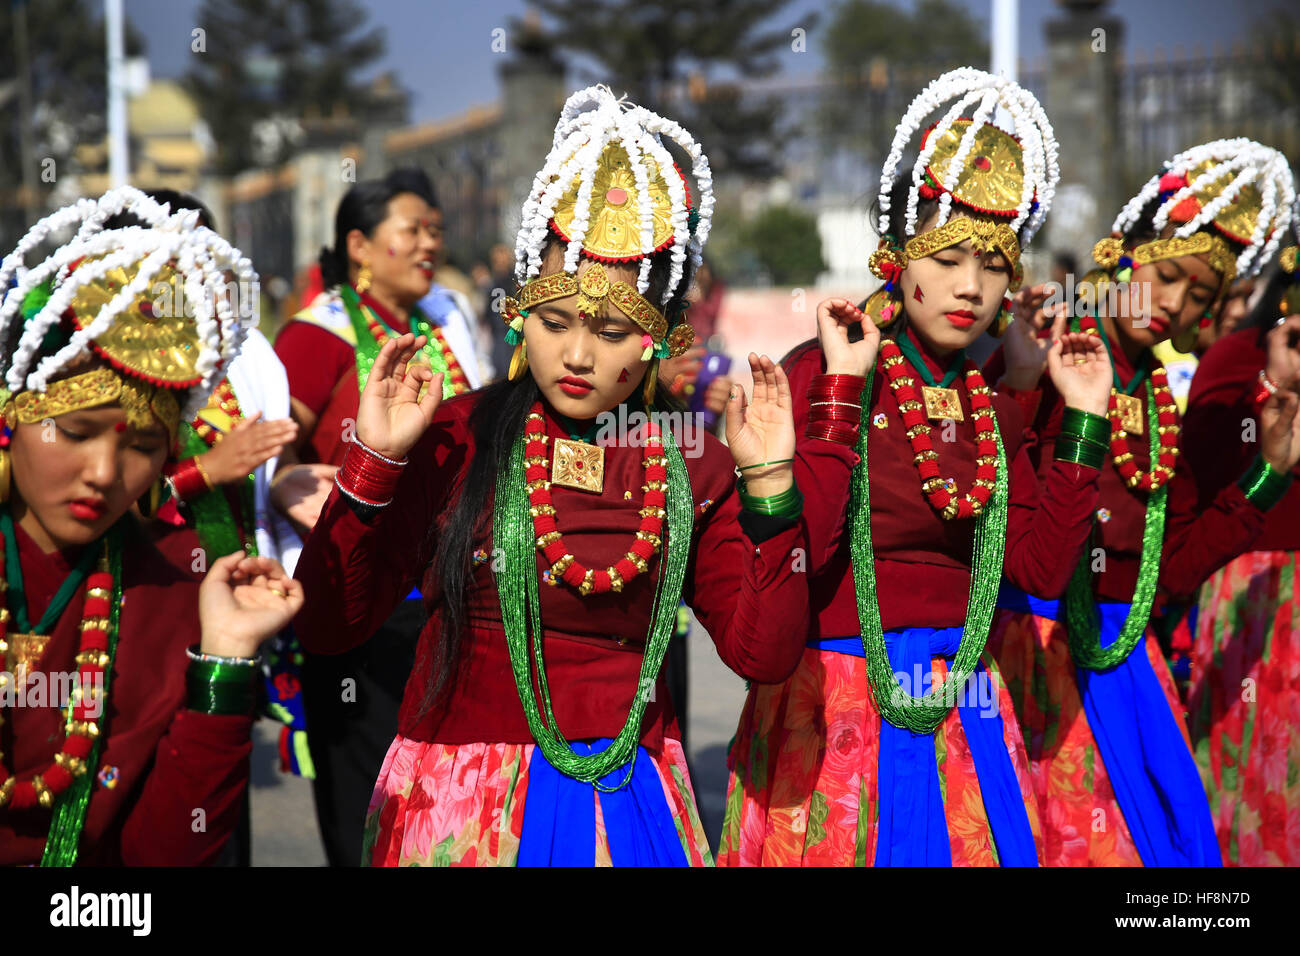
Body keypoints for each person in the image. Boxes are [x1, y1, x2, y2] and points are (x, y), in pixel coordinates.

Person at [292, 85, 808, 867]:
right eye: (554, 322)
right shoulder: (457, 439)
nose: (576, 356)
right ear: (519, 314)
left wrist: (769, 481)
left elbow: (763, 656)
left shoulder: (691, 459)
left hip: (628, 810)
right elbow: (330, 626)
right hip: (460, 802)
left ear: (656, 340)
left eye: (609, 331)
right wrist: (374, 462)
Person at [720, 67, 1113, 866]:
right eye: (951, 256)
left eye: (995, 264)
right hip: (833, 709)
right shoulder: (820, 370)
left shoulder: (988, 390)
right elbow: (810, 550)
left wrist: (1078, 416)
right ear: (899, 255)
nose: (972, 286)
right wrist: (837, 392)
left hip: (965, 704)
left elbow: (1038, 569)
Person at [986, 138, 1298, 866]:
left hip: (1127, 662)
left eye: (1201, 298)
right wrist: (1025, 382)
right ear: (1123, 253)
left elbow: (1168, 569)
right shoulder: (1049, 347)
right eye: (1169, 277)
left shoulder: (1159, 398)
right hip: (1036, 652)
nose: (1175, 306)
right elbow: (987, 493)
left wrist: (1269, 475)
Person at [0, 186, 302, 865]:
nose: (104, 473)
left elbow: (166, 851)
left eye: (140, 447)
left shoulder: (173, 586)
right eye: (74, 431)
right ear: (12, 415)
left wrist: (224, 657)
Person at [269, 169, 482, 865]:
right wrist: (292, 480)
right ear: (359, 245)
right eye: (412, 230)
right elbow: (270, 449)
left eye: (436, 232)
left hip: (447, 594)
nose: (429, 245)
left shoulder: (439, 325)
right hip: (362, 597)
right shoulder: (317, 336)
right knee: (367, 797)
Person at [1179, 239, 1300, 865]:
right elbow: (1198, 479)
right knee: (1249, 769)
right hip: (1254, 588)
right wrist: (1273, 384)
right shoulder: (1235, 359)